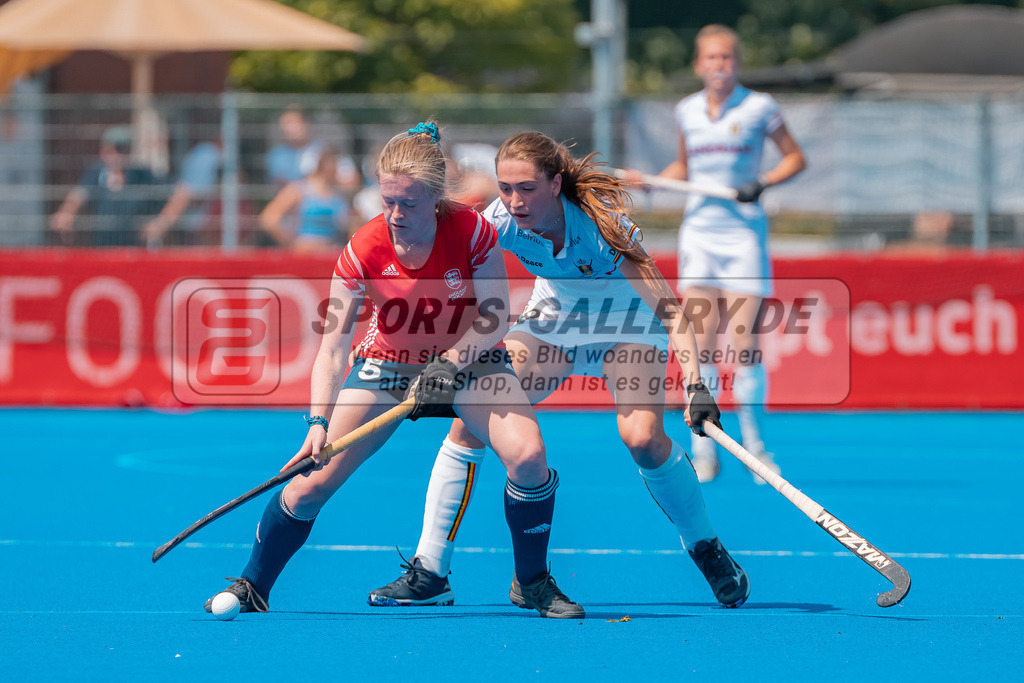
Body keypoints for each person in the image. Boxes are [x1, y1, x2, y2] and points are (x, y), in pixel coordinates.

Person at [204, 122, 584, 619]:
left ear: (436, 198)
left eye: (409, 203)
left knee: (529, 457)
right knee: (310, 483)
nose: (396, 215)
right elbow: (333, 349)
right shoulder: (363, 248)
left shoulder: (472, 230)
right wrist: (317, 422)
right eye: (387, 201)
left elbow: (494, 315)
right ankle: (254, 585)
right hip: (388, 366)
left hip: (469, 363)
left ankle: (533, 583)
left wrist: (450, 362)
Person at [367, 131, 749, 611]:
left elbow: (671, 311)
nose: (514, 200)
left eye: (526, 188)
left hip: (626, 324)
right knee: (470, 423)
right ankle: (430, 569)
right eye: (505, 188)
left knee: (643, 438)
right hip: (553, 321)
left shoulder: (603, 226)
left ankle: (705, 546)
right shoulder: (498, 220)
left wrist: (696, 386)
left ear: (555, 183)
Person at [632, 24, 806, 483]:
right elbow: (684, 169)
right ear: (698, 64)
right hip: (700, 236)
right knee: (700, 347)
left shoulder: (759, 107)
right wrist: (652, 181)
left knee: (745, 347)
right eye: (710, 58)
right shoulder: (686, 111)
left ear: (737, 63)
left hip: (744, 235)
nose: (718, 66)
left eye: (726, 57)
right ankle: (703, 451)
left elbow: (794, 158)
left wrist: (763, 182)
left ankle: (757, 451)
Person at [50, 126, 160, 247]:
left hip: (135, 250)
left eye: (122, 150)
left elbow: (171, 194)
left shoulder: (142, 174)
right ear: (103, 152)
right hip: (101, 248)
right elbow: (78, 195)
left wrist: (160, 223)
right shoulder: (95, 173)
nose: (117, 155)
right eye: (111, 150)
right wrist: (66, 213)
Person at [258, 145, 354, 251]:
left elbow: (349, 227)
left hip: (330, 255)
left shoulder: (338, 196)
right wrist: (290, 244)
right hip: (304, 254)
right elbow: (269, 219)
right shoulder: (298, 190)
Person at [142, 139, 222, 247]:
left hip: (206, 234)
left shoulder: (205, 154)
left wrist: (160, 224)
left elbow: (188, 193)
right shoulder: (206, 154)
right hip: (207, 234)